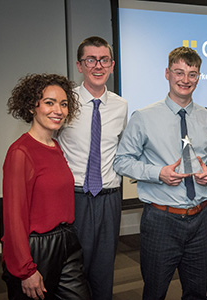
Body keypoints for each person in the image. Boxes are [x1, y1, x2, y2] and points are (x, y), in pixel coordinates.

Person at [113, 46, 207, 300]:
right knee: (155, 291)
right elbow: (121, 161)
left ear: (199, 77)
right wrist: (157, 173)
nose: (185, 80)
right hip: (161, 220)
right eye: (179, 72)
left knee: (197, 292)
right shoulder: (143, 117)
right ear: (167, 73)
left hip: (201, 217)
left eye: (192, 74)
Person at [2, 74, 91, 300]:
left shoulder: (55, 146)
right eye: (49, 103)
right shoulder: (20, 152)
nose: (58, 110)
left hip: (67, 241)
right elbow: (14, 219)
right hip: (36, 249)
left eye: (63, 104)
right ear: (32, 106)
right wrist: (26, 269)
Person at [57, 36, 128, 299]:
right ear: (79, 65)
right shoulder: (66, 103)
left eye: (104, 60)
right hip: (74, 198)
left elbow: (122, 149)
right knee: (73, 271)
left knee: (104, 271)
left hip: (109, 199)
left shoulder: (121, 105)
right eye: (91, 60)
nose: (98, 66)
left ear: (112, 65)